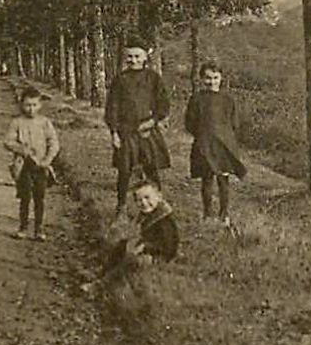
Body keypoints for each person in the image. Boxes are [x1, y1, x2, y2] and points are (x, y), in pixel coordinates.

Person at [103, 38, 170, 213]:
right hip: (126, 131)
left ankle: (158, 203)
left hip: (147, 130)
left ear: (145, 57)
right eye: (129, 56)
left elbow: (163, 104)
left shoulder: (153, 78)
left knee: (151, 167)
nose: (133, 60)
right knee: (124, 170)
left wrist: (153, 121)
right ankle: (122, 205)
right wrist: (114, 133)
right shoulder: (120, 79)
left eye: (137, 56)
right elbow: (112, 108)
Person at [184, 60, 248, 224]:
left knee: (223, 178)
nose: (211, 81)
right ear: (201, 79)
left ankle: (224, 213)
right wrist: (202, 135)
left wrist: (226, 137)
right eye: (207, 78)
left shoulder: (228, 99)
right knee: (207, 179)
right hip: (204, 144)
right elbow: (190, 122)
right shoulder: (197, 98)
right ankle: (207, 213)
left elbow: (234, 123)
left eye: (215, 77)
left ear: (221, 78)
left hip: (224, 144)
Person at [3, 85, 61, 241]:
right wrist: (22, 149)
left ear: (40, 105)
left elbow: (54, 142)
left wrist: (48, 159)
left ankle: (39, 229)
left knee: (39, 197)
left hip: (41, 165)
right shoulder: (17, 122)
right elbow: (8, 141)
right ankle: (23, 227)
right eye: (27, 105)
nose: (31, 109)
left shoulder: (44, 122)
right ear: (21, 104)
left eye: (34, 105)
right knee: (25, 196)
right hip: (24, 166)